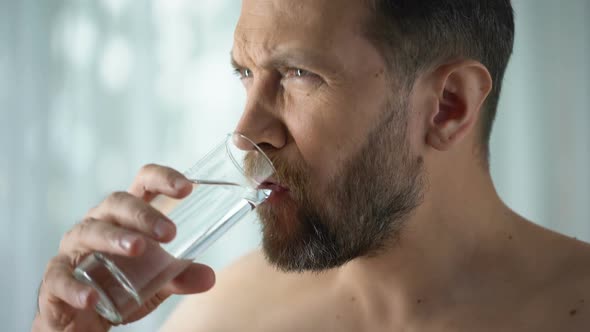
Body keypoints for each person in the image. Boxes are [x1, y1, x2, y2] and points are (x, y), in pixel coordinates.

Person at [33, 0, 590, 331]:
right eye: (245, 74)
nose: (246, 134)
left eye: (299, 75)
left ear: (449, 107)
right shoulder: (222, 318)